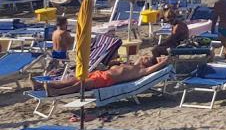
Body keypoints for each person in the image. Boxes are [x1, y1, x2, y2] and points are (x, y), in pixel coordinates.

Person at [41, 56, 171, 96]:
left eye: (147, 58)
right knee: (73, 79)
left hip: (106, 80)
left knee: (80, 85)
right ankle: (42, 85)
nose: (144, 57)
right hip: (101, 74)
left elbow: (153, 68)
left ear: (148, 64)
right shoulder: (129, 64)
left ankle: (56, 92)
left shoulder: (140, 71)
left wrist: (163, 61)